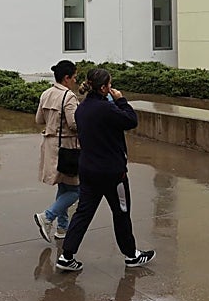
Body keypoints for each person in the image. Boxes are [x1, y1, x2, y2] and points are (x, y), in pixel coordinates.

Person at [56, 67, 154, 272]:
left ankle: (66, 256)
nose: (111, 88)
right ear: (103, 88)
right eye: (109, 84)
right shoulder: (107, 109)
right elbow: (131, 121)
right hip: (112, 172)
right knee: (121, 212)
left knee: (83, 212)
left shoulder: (82, 109)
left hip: (89, 170)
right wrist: (121, 99)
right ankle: (131, 254)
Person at [34, 60, 80, 243]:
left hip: (50, 146)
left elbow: (39, 119)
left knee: (64, 186)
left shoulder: (46, 93)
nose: (76, 81)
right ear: (66, 78)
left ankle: (62, 228)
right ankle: (47, 216)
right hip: (67, 148)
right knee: (77, 190)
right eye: (74, 77)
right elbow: (74, 124)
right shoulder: (68, 97)